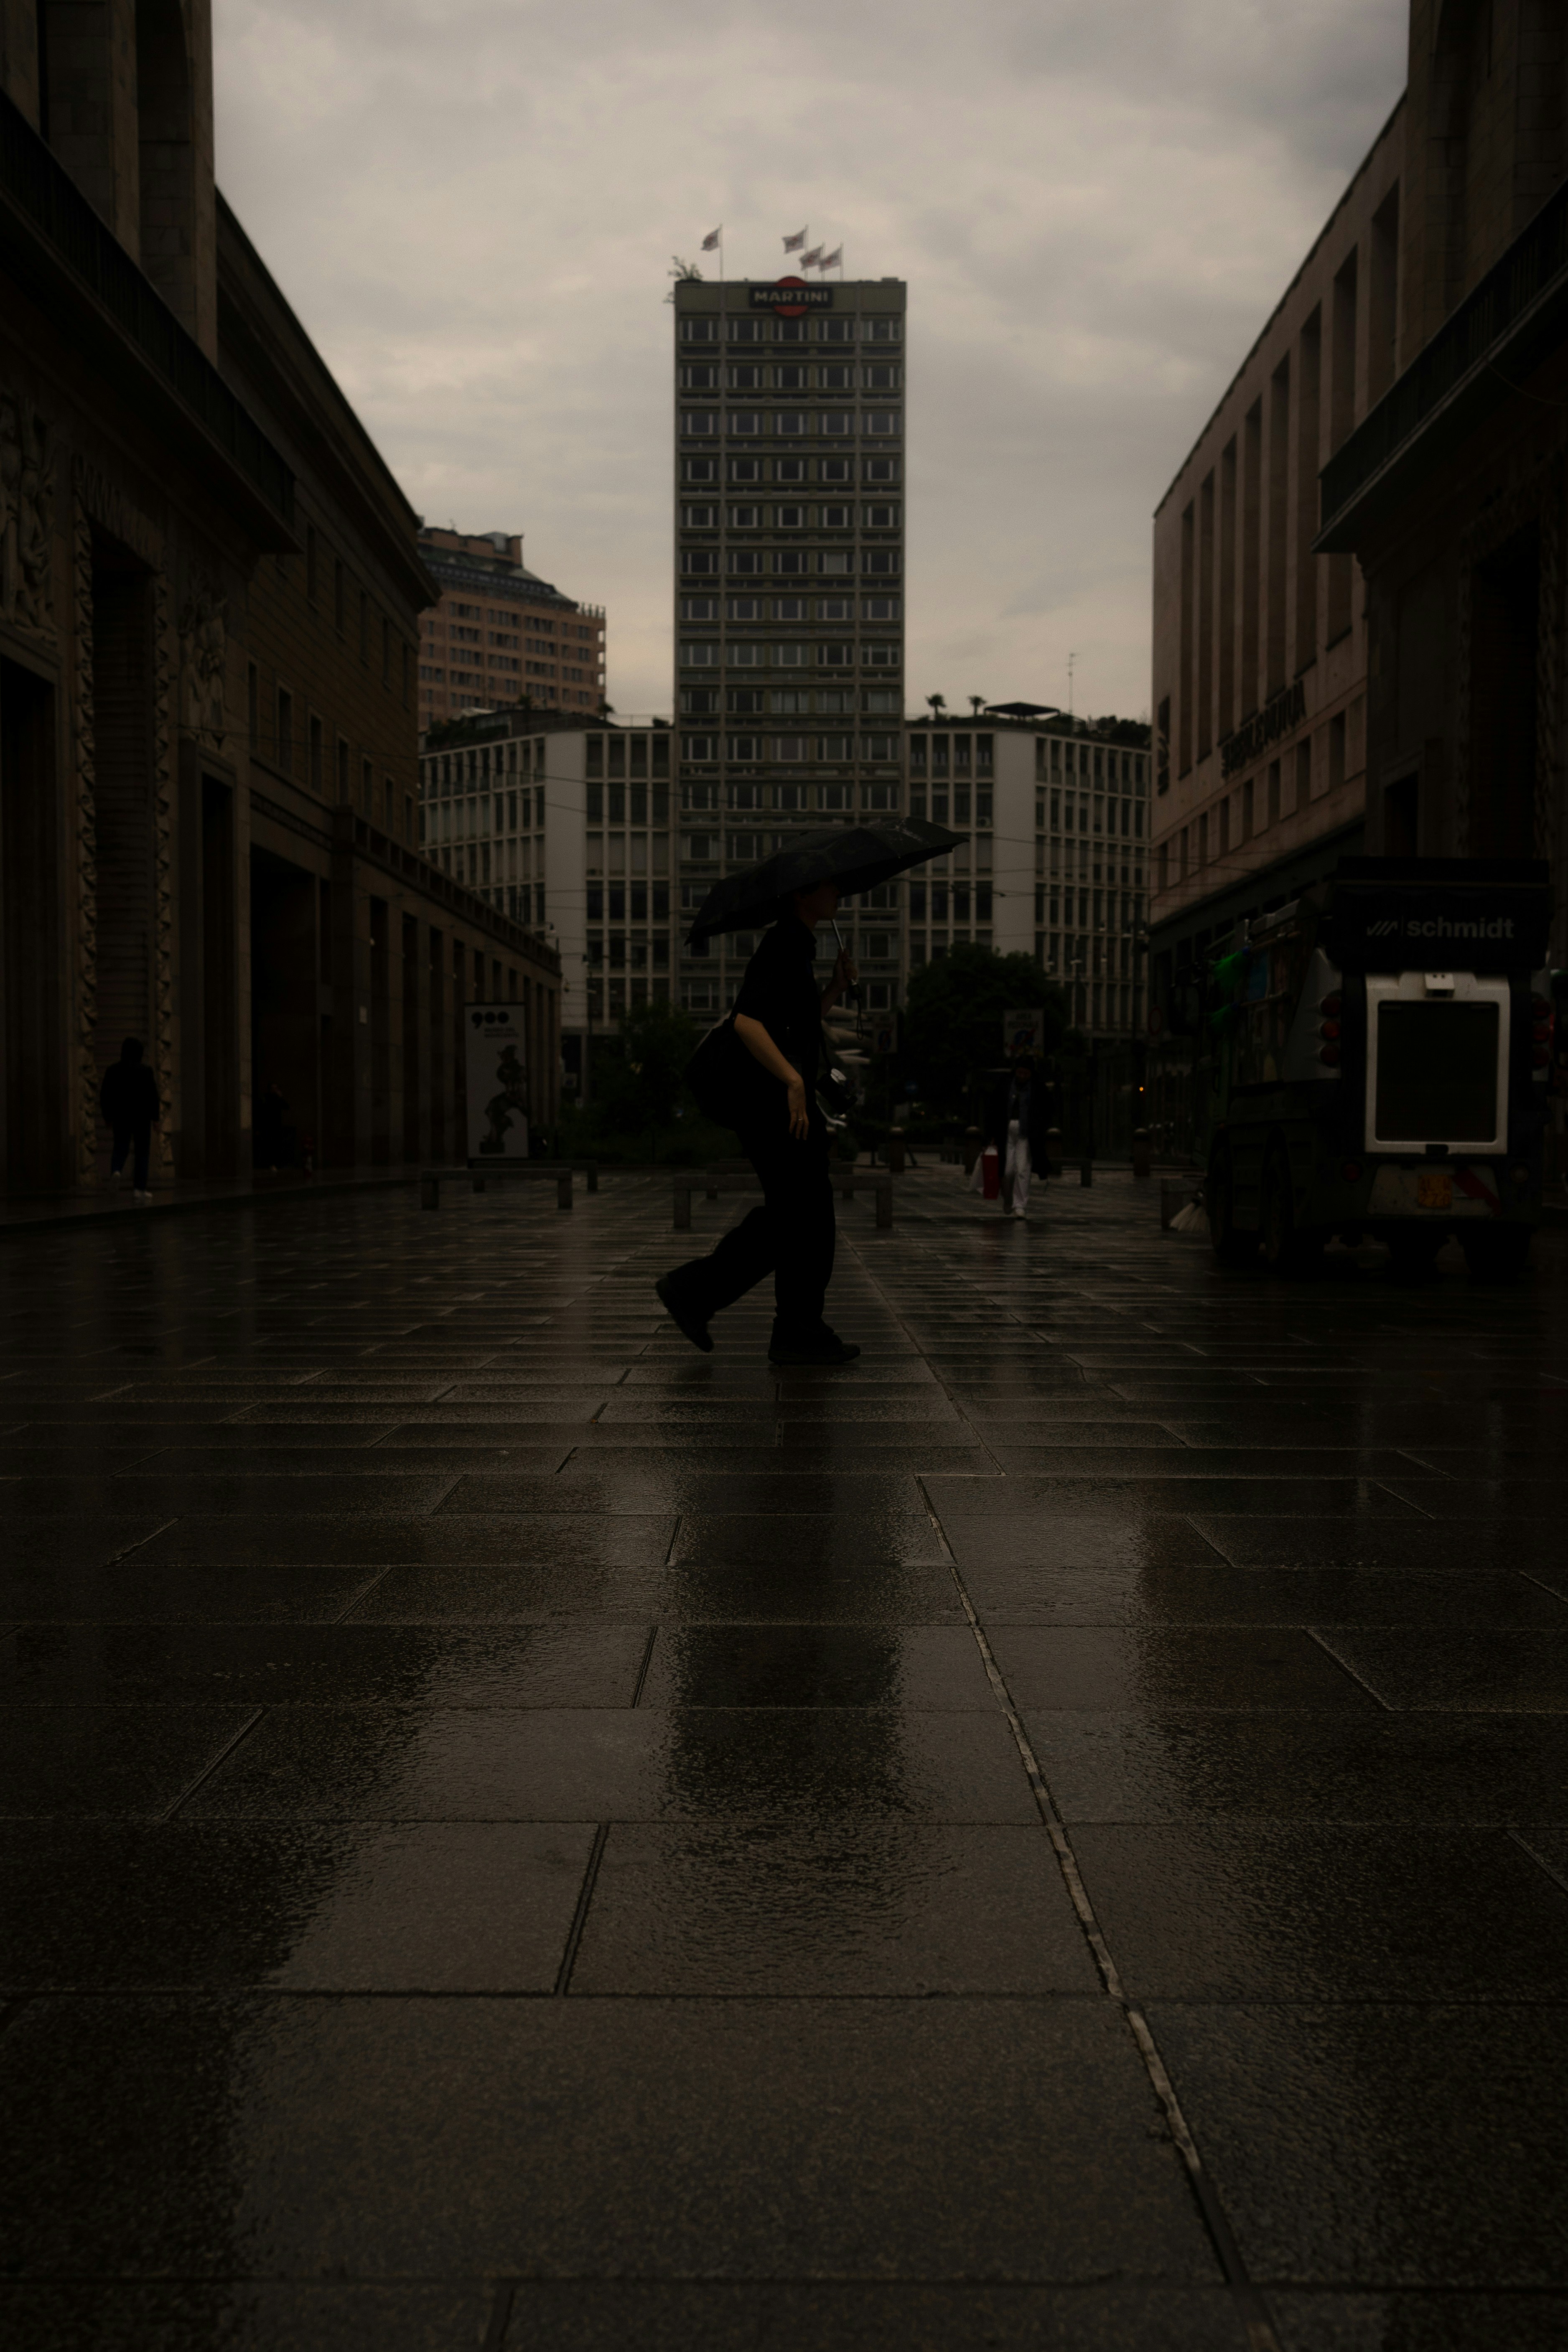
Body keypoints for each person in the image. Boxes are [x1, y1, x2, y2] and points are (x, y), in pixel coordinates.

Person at [657, 880, 861, 1366]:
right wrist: (793, 1082)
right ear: (799, 895)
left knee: (800, 1216)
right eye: (826, 887)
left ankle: (787, 1325)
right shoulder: (785, 943)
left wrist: (833, 987)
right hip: (774, 1105)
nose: (838, 895)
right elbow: (748, 1021)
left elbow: (791, 1022)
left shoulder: (798, 945)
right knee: (803, 1215)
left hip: (779, 1105)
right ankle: (708, 1297)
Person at [990, 1054, 1052, 1218]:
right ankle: (1008, 1198)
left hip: (1027, 1133)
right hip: (1007, 1131)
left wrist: (1040, 1130)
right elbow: (995, 1109)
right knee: (1008, 1170)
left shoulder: (1038, 1088)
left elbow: (1046, 1111)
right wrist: (992, 1134)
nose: (1023, 1076)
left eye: (1026, 1073)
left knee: (1023, 1169)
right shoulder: (1005, 1084)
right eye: (1020, 1073)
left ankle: (1020, 1205)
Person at [100, 1039, 160, 1203]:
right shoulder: (146, 1071)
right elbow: (153, 1096)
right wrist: (156, 1119)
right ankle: (139, 1189)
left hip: (121, 1116)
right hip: (142, 1117)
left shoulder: (113, 1070)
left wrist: (108, 1117)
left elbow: (106, 1095)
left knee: (120, 1147)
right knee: (142, 1152)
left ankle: (116, 1171)